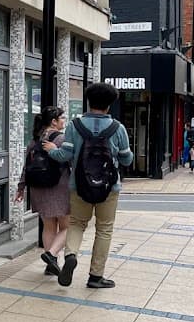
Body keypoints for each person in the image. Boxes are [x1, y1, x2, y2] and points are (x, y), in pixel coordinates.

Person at [45, 82, 133, 289]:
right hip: (109, 188)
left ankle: (71, 255)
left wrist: (50, 150)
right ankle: (95, 276)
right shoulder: (117, 128)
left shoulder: (74, 126)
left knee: (76, 223)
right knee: (104, 229)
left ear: (88, 101)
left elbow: (64, 155)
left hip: (79, 185)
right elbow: (127, 160)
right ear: (109, 105)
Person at [15, 107, 71, 279]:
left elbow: (27, 166)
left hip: (38, 188)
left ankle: (50, 266)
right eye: (62, 118)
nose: (64, 120)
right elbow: (71, 159)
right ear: (53, 121)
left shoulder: (34, 141)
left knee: (48, 227)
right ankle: (52, 255)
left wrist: (21, 188)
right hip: (60, 187)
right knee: (69, 227)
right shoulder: (62, 139)